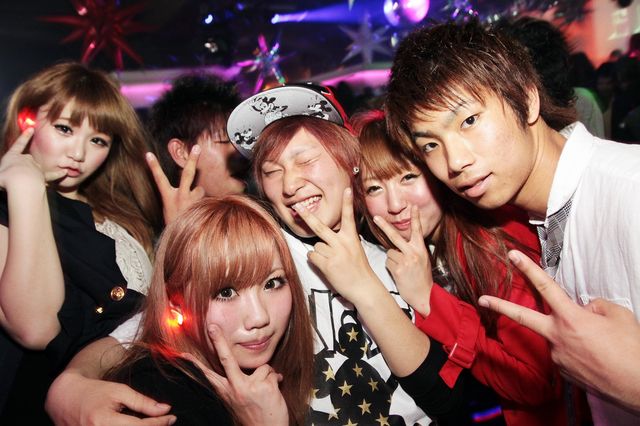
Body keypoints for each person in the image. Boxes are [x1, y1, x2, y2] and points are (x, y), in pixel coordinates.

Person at [385, 19, 640, 424]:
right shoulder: (543, 218)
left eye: (469, 121)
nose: (454, 162)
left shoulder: (629, 192)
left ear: (527, 97)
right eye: (430, 144)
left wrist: (631, 382)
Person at [345, 110, 566, 425]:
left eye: (408, 177)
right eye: (374, 189)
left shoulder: (486, 245)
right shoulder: (406, 254)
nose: (395, 205)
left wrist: (428, 299)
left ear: (436, 173)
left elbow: (538, 383)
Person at [0, 61, 162, 423]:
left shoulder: (122, 211)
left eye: (98, 140)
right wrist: (26, 185)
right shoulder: (8, 206)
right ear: (26, 121)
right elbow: (35, 329)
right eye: (64, 129)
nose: (78, 153)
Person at [104, 196, 314, 425]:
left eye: (272, 283)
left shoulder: (281, 372)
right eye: (226, 293)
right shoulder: (156, 397)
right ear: (175, 305)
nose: (259, 317)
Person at [145, 74, 250, 223]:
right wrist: (179, 229)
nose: (240, 150)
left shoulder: (258, 224)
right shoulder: (149, 234)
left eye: (241, 140)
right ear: (182, 152)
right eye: (224, 140)